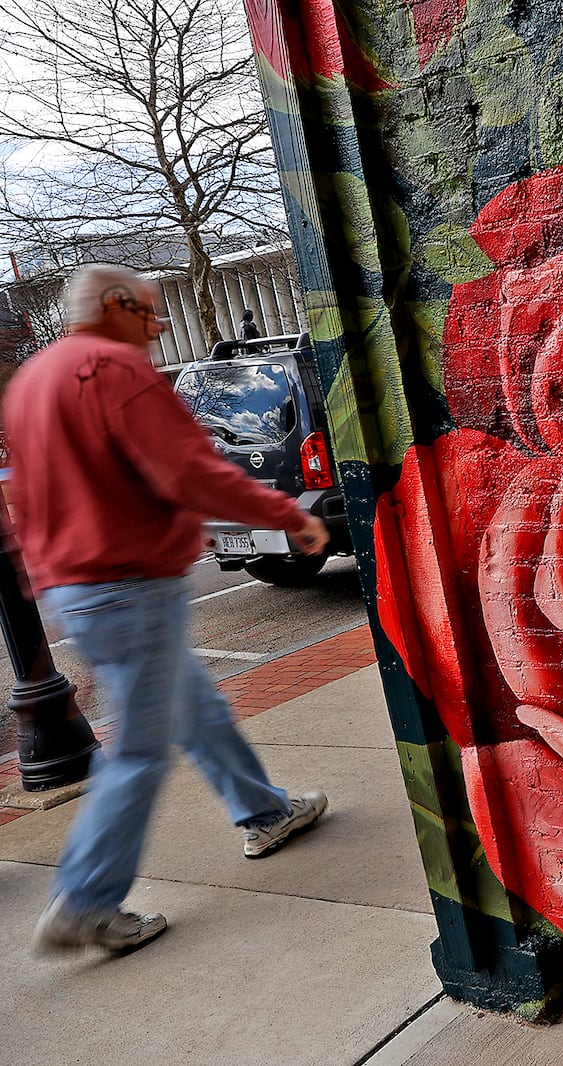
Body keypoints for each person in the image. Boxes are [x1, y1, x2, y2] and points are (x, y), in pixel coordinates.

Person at [4, 264, 333, 955]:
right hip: (130, 585)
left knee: (195, 706)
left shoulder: (33, 382)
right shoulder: (115, 372)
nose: (157, 330)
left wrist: (54, 591)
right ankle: (87, 901)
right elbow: (189, 471)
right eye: (150, 315)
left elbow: (26, 501)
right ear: (114, 307)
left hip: (85, 589)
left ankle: (264, 811)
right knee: (140, 752)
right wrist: (288, 517)